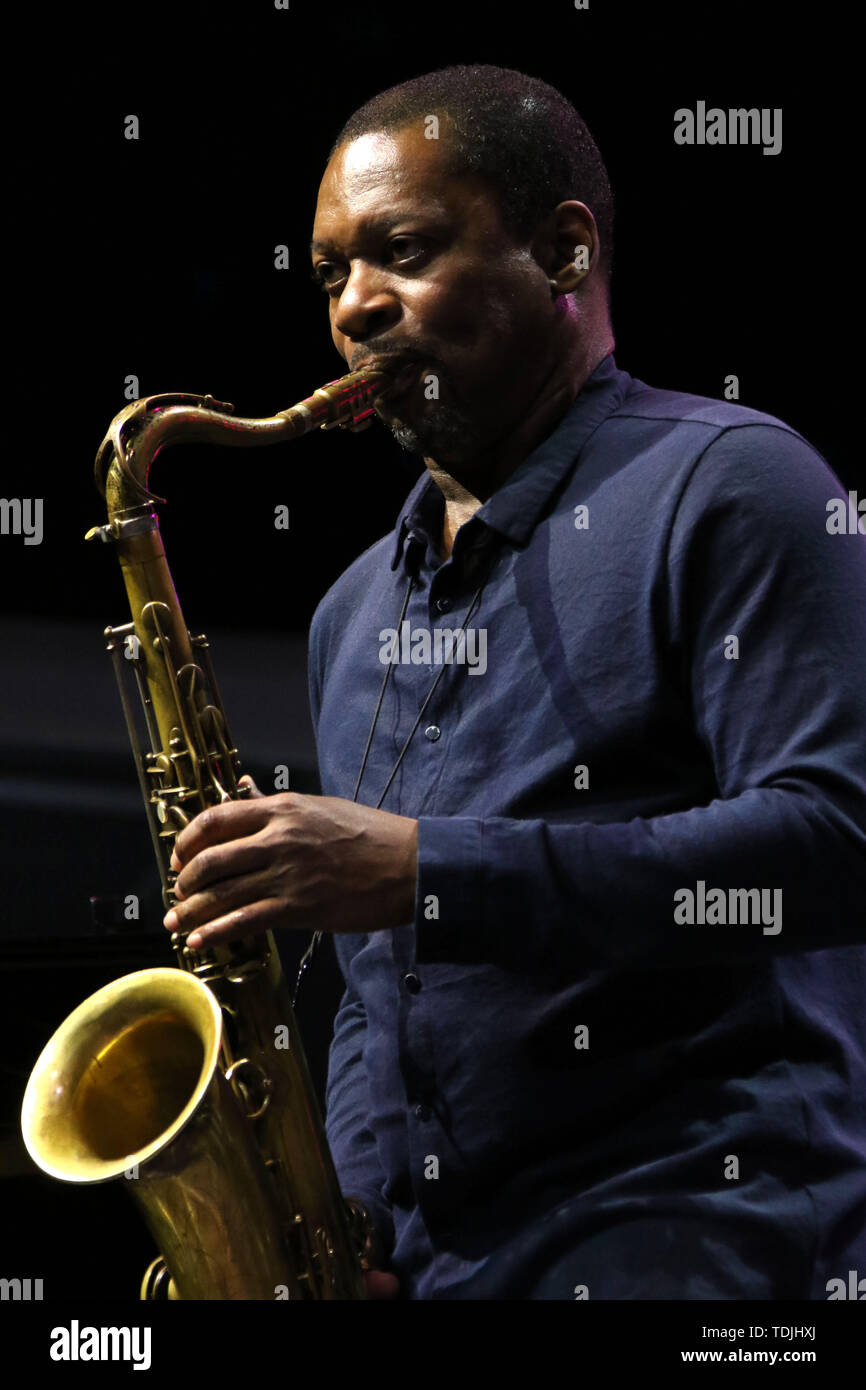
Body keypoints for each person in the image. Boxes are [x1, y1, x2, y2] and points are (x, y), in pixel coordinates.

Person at [163, 65, 866, 1300]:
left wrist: (425, 870)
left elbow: (831, 840)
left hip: (698, 1247)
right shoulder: (349, 614)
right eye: (331, 273)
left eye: (405, 251)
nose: (355, 308)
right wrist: (358, 1219)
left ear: (563, 252)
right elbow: (380, 1003)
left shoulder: (733, 483)